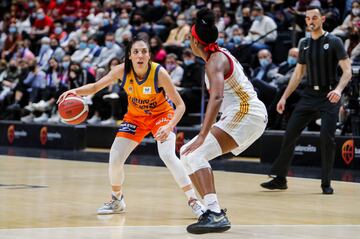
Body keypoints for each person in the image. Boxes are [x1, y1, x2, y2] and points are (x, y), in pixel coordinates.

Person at [57, 36, 206, 218]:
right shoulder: (121, 71)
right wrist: (73, 92)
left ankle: (194, 201)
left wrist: (169, 126)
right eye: (136, 52)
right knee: (115, 158)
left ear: (149, 55)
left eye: (144, 51)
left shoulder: (159, 73)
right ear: (129, 56)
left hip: (161, 116)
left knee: (167, 154)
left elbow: (180, 105)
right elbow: (96, 87)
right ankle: (117, 200)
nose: (140, 55)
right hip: (135, 118)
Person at [180, 8, 267, 234]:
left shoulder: (215, 61)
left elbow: (217, 97)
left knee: (197, 152)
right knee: (186, 153)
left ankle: (215, 214)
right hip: (244, 114)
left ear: (194, 42)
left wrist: (202, 135)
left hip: (247, 112)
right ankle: (210, 211)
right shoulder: (217, 55)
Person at [261, 6, 352, 195]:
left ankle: (326, 183)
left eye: (315, 18)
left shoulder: (334, 41)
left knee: (327, 139)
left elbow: (347, 71)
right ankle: (280, 179)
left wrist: (338, 89)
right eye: (308, 18)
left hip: (329, 96)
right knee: (290, 133)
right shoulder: (304, 44)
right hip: (309, 95)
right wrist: (284, 97)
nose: (311, 21)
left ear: (323, 19)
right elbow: (297, 74)